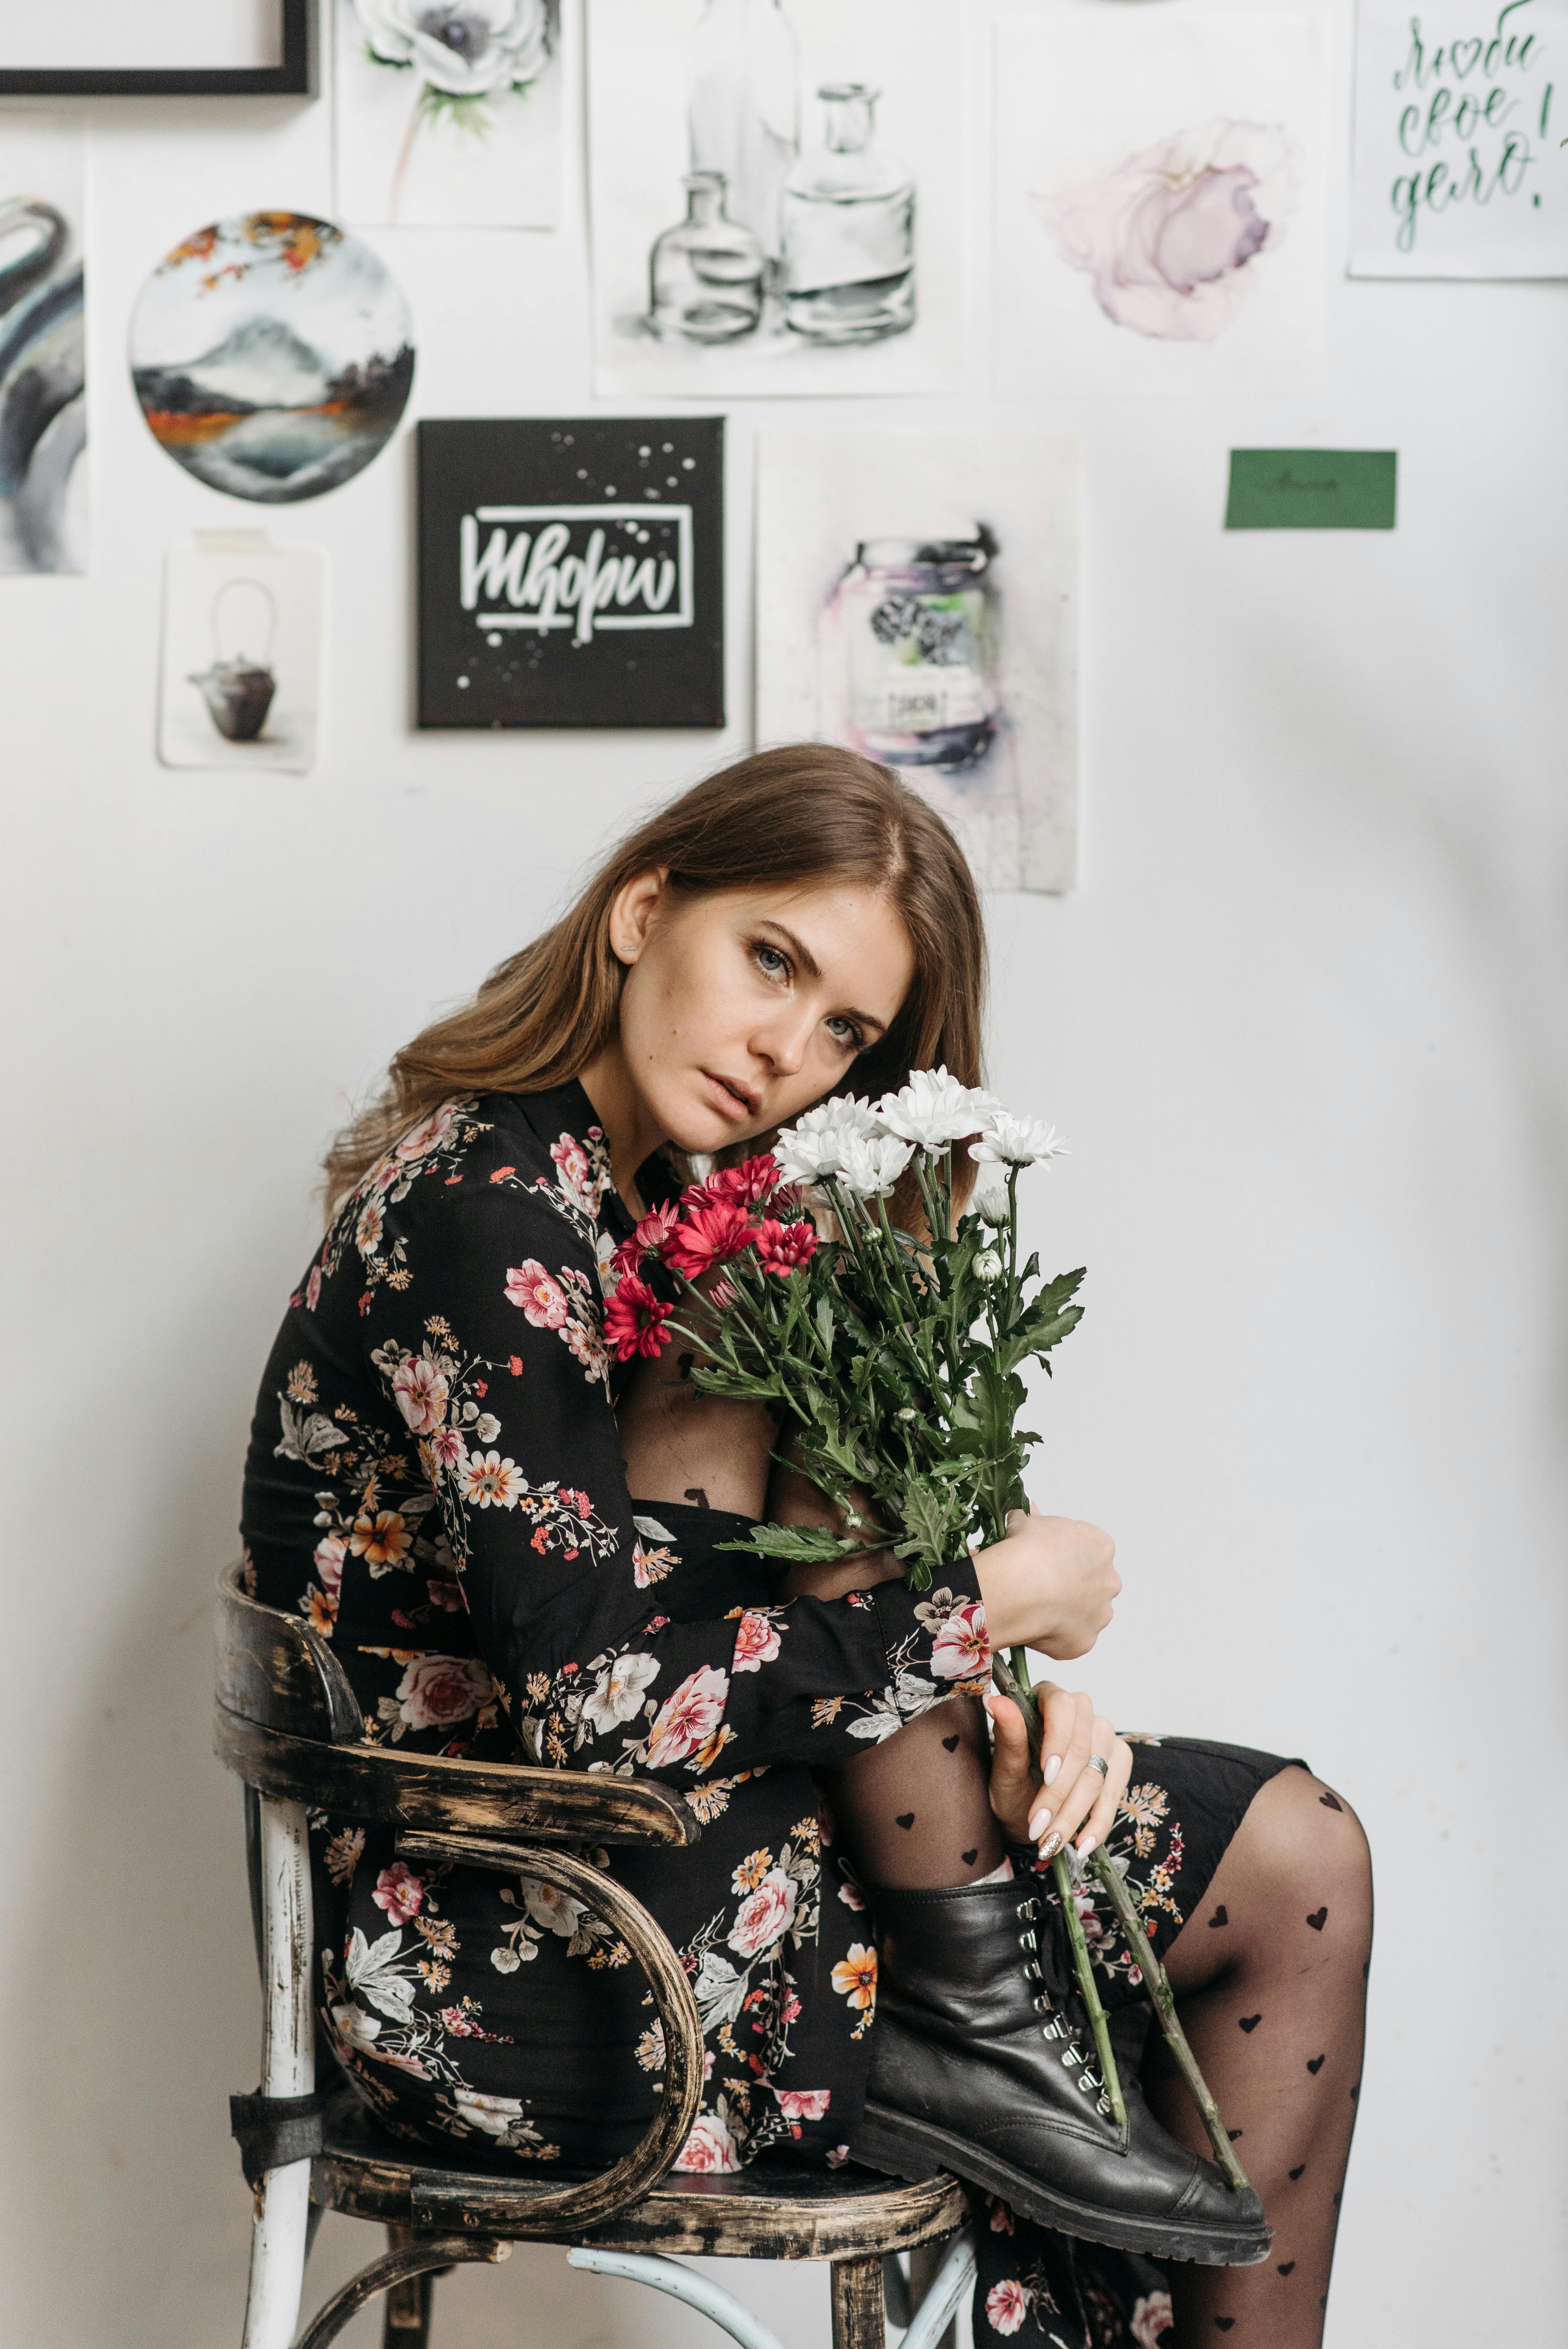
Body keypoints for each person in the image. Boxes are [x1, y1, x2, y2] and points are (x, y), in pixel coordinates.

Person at [240, 746, 1371, 2349]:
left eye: (845, 1028)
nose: (789, 1049)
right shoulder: (491, 1204)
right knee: (1282, 1871)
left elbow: (746, 1617)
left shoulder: (628, 1201)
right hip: (527, 1947)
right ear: (646, 909)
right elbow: (603, 1706)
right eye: (773, 960)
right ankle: (976, 2027)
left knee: (1287, 1852)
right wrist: (982, 1605)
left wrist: (1004, 1708)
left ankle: (980, 2020)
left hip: (675, 1869)